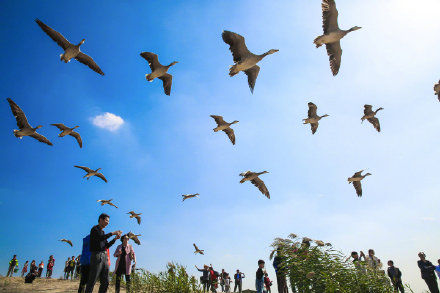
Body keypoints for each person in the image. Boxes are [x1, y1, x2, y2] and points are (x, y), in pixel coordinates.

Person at [85, 213, 122, 293]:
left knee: (105, 281)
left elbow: (106, 245)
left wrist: (115, 239)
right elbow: (100, 238)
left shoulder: (103, 232)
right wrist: (112, 233)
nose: (107, 223)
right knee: (92, 280)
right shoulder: (95, 229)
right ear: (100, 220)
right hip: (96, 256)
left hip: (104, 257)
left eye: (108, 221)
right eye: (106, 220)